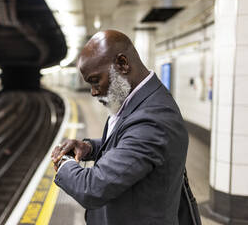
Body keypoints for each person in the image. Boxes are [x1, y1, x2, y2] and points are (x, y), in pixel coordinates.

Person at [51, 30, 189, 225]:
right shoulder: (134, 100)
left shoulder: (154, 119)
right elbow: (128, 142)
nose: (93, 92)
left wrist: (64, 164)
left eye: (95, 80)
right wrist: (90, 148)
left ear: (123, 64)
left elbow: (92, 188)